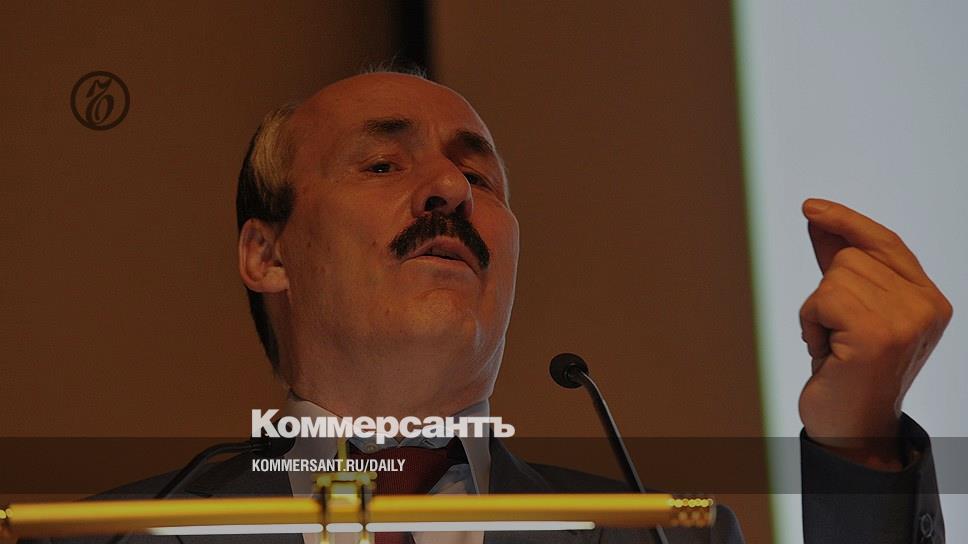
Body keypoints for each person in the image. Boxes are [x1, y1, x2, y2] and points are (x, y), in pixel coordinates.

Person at [23, 69, 951, 544]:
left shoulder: (660, 536)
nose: (450, 191)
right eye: (381, 163)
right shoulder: (109, 536)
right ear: (267, 255)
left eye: (481, 177)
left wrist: (860, 449)